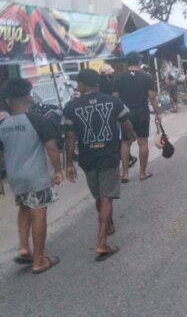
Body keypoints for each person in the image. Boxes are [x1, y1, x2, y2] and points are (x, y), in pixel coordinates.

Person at [63, 69, 136, 262]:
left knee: (100, 196)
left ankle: (108, 226)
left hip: (87, 158)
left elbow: (70, 137)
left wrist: (69, 163)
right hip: (109, 155)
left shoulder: (71, 106)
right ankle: (102, 243)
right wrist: (131, 135)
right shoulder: (113, 101)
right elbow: (126, 122)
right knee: (106, 197)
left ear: (82, 85)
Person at [0, 79, 63, 274]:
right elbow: (51, 147)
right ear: (29, 97)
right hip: (36, 177)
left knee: (24, 208)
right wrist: (58, 170)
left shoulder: (3, 124)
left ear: (8, 101)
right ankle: (39, 261)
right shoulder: (37, 120)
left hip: (15, 178)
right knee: (39, 212)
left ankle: (23, 247)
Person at [113, 51, 161, 182]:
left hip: (125, 116)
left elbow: (115, 98)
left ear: (127, 62)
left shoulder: (119, 77)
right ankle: (142, 173)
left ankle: (125, 174)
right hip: (142, 114)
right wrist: (157, 113)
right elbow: (152, 97)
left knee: (125, 143)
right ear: (139, 62)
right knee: (143, 143)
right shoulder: (146, 77)